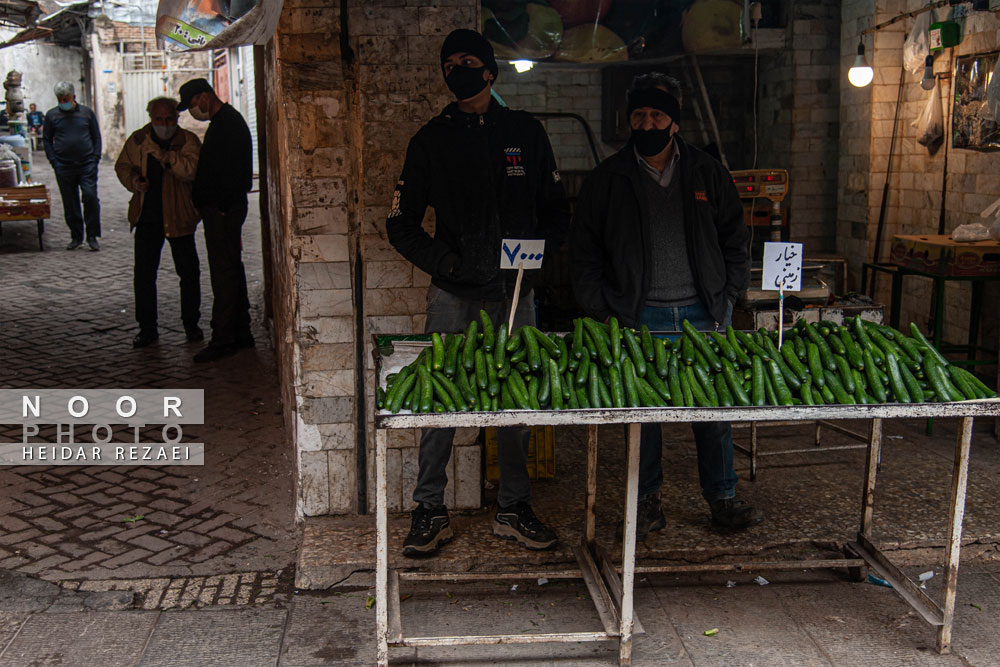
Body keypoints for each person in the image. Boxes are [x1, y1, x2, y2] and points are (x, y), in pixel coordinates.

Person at [386, 29, 571, 557]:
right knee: (439, 400)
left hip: (515, 293)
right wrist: (446, 262)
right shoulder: (430, 141)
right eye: (449, 63)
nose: (457, 70)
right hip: (453, 295)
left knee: (516, 402)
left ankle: (513, 507)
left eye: (468, 61)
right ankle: (430, 510)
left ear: (490, 71)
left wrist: (535, 257)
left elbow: (557, 212)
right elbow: (399, 223)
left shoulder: (526, 133)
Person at [570, 72, 763, 538]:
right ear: (628, 119)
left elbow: (737, 239)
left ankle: (722, 497)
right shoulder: (608, 178)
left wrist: (729, 296)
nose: (647, 122)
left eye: (657, 114)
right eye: (639, 114)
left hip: (702, 313)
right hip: (638, 316)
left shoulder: (707, 172)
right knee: (643, 417)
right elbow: (583, 252)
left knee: (712, 411)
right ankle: (647, 502)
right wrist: (604, 309)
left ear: (674, 122)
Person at [114, 97, 203, 348]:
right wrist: (134, 181)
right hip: (148, 217)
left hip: (179, 216)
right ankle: (147, 328)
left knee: (188, 273)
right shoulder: (139, 140)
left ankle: (191, 323)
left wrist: (165, 157)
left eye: (170, 119)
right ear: (151, 118)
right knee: (143, 275)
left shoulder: (187, 141)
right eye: (159, 120)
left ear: (177, 117)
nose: (165, 124)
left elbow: (191, 170)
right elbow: (123, 166)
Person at [177, 78, 253, 363]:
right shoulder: (224, 123)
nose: (194, 110)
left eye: (194, 104)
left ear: (205, 97)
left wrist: (222, 205)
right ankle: (241, 331)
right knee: (231, 268)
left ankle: (223, 338)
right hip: (223, 208)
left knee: (224, 272)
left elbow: (234, 172)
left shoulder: (228, 124)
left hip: (224, 210)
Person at [42, 81, 102, 251]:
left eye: (66, 99)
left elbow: (96, 136)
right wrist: (54, 161)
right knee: (70, 202)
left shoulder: (87, 114)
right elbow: (47, 139)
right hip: (63, 166)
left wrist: (95, 157)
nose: (63, 102)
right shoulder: (52, 116)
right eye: (60, 99)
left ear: (74, 97)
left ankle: (92, 235)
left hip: (86, 164)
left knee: (90, 197)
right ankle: (76, 236)